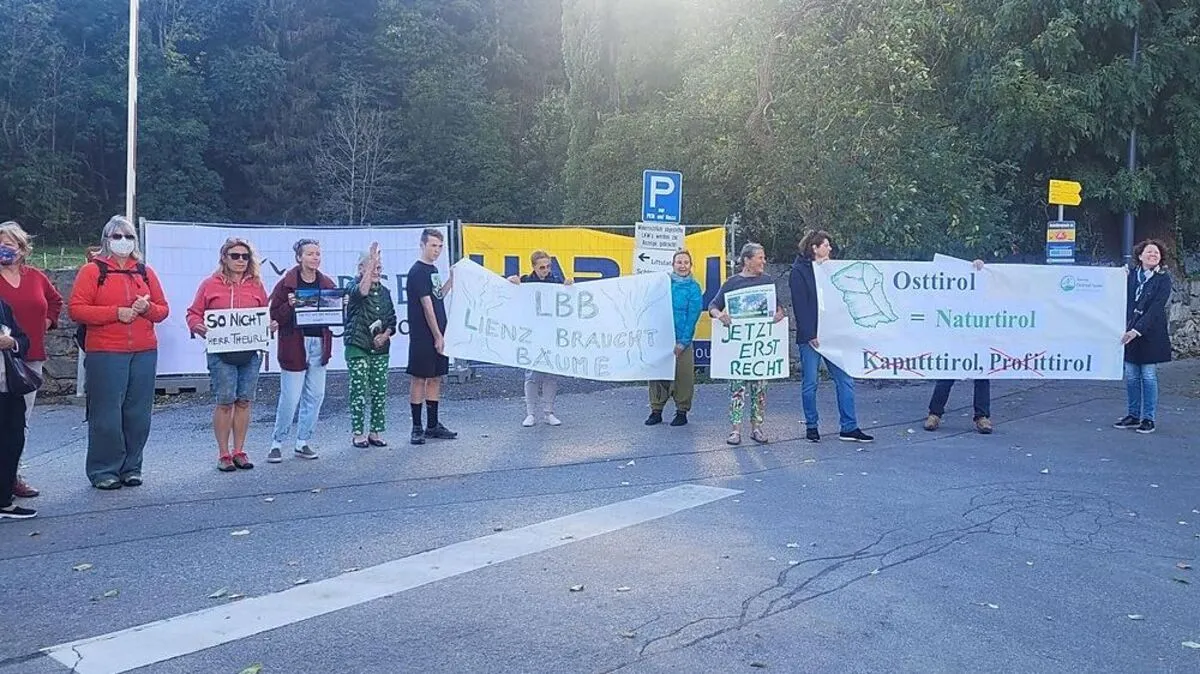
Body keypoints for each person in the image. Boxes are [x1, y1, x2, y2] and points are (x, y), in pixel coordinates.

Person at [68, 215, 169, 490]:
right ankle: (104, 470)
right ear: (106, 240)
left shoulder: (145, 272)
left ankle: (132, 467)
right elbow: (77, 309)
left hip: (144, 351)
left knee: (138, 413)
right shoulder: (92, 271)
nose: (123, 241)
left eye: (128, 236)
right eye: (117, 236)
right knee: (106, 414)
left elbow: (162, 309)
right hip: (105, 351)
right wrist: (116, 313)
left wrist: (146, 309)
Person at [187, 237, 270, 471]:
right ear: (224, 258)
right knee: (225, 402)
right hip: (221, 351)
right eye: (235, 256)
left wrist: (268, 325)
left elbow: (264, 314)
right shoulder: (209, 284)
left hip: (250, 352)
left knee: (244, 401)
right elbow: (193, 313)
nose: (241, 260)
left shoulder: (256, 285)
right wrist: (197, 326)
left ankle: (239, 450)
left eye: (245, 256)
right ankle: (223, 453)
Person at [788, 230, 874, 443]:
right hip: (813, 337)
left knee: (845, 379)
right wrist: (810, 333)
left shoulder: (833, 270)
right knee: (810, 382)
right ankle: (812, 425)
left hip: (834, 335)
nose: (830, 249)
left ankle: (849, 426)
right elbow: (801, 305)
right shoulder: (799, 271)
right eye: (826, 245)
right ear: (814, 248)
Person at [0, 221, 63, 498]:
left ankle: (13, 474)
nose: (3, 249)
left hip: (30, 356)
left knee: (20, 420)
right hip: (2, 357)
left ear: (22, 248)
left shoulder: (36, 276)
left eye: (9, 244)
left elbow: (56, 301)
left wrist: (46, 323)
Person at [710, 242, 786, 445]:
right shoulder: (732, 282)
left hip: (759, 349)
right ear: (747, 260)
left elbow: (778, 307)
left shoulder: (768, 281)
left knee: (760, 390)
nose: (764, 261)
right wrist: (720, 316)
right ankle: (735, 430)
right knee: (737, 389)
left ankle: (757, 428)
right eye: (760, 257)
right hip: (738, 350)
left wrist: (779, 314)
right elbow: (713, 306)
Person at [268, 238, 335, 462]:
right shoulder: (286, 284)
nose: (315, 257)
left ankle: (303, 441)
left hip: (319, 344)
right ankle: (277, 442)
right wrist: (290, 305)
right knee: (290, 397)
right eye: (310, 254)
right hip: (294, 345)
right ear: (299, 257)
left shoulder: (327, 284)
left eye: (318, 253)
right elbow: (274, 314)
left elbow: (335, 313)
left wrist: (339, 306)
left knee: (315, 395)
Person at [923, 258, 993, 434]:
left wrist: (981, 267)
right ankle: (934, 414)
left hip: (979, 332)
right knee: (947, 374)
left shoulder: (985, 281)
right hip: (956, 333)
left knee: (982, 374)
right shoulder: (951, 285)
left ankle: (982, 417)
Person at [508, 250, 573, 427]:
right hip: (532, 334)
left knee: (551, 374)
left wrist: (569, 286)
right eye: (542, 267)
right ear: (534, 267)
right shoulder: (526, 282)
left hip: (551, 333)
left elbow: (569, 299)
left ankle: (548, 412)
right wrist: (511, 283)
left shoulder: (557, 281)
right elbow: (509, 294)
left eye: (548, 266)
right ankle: (530, 413)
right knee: (532, 374)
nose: (545, 270)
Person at [1115, 239, 1172, 434]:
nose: (1153, 255)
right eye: (1149, 252)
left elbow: (1155, 309)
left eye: (1156, 253)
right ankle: (1132, 415)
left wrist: (1136, 331)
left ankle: (1148, 418)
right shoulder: (1130, 276)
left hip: (1150, 335)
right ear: (1140, 256)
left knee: (1148, 376)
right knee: (1131, 376)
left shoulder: (1163, 279)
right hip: (1129, 333)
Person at [406, 228, 457, 445]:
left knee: (436, 377)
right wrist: (437, 335)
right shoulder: (417, 272)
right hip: (423, 333)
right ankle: (416, 426)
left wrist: (452, 280)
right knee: (420, 377)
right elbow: (427, 306)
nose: (436, 250)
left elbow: (437, 296)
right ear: (423, 245)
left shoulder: (433, 270)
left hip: (440, 331)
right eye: (433, 245)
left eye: (439, 246)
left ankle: (433, 424)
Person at [345, 242, 397, 448]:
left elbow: (392, 320)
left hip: (380, 348)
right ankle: (358, 432)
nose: (377, 271)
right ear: (361, 269)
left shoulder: (385, 292)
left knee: (379, 390)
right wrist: (370, 264)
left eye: (379, 267)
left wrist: (385, 335)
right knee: (358, 390)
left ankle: (375, 431)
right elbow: (362, 292)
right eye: (373, 267)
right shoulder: (352, 286)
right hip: (357, 346)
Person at [645, 250, 704, 427]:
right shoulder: (662, 285)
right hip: (661, 338)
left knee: (683, 376)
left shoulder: (693, 288)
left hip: (681, 340)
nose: (682, 265)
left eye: (686, 262)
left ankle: (681, 411)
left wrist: (683, 342)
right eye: (679, 262)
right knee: (657, 375)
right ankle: (656, 411)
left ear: (690, 265)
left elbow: (693, 316)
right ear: (673, 265)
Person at [0, 297, 35, 518]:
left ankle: (4, 500)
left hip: (7, 385)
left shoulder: (2, 306)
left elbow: (23, 339)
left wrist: (12, 343)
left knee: (13, 441)